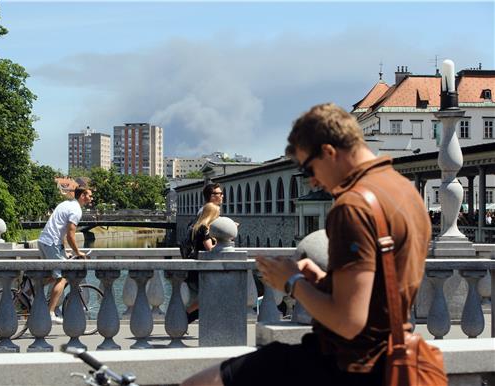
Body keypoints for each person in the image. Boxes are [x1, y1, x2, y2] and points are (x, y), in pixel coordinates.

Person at [182, 103, 431, 386]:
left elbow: (350, 322)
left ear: (328, 152)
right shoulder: (405, 191)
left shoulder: (352, 206)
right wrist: (322, 281)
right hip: (391, 357)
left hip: (348, 362)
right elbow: (380, 294)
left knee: (200, 384)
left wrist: (292, 281)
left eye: (309, 168)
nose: (312, 181)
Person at [37, 186, 93, 324]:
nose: (91, 198)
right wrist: (78, 252)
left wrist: (64, 250)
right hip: (51, 243)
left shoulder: (65, 204)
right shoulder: (76, 210)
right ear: (82, 196)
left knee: (53, 275)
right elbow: (70, 234)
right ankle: (50, 312)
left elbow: (59, 228)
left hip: (45, 241)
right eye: (89, 195)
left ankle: (28, 291)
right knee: (62, 278)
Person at [186, 202, 220, 320]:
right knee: (206, 296)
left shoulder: (196, 227)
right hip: (203, 267)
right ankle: (185, 315)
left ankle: (186, 318)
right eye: (217, 214)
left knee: (207, 297)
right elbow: (209, 248)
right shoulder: (205, 228)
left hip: (197, 265)